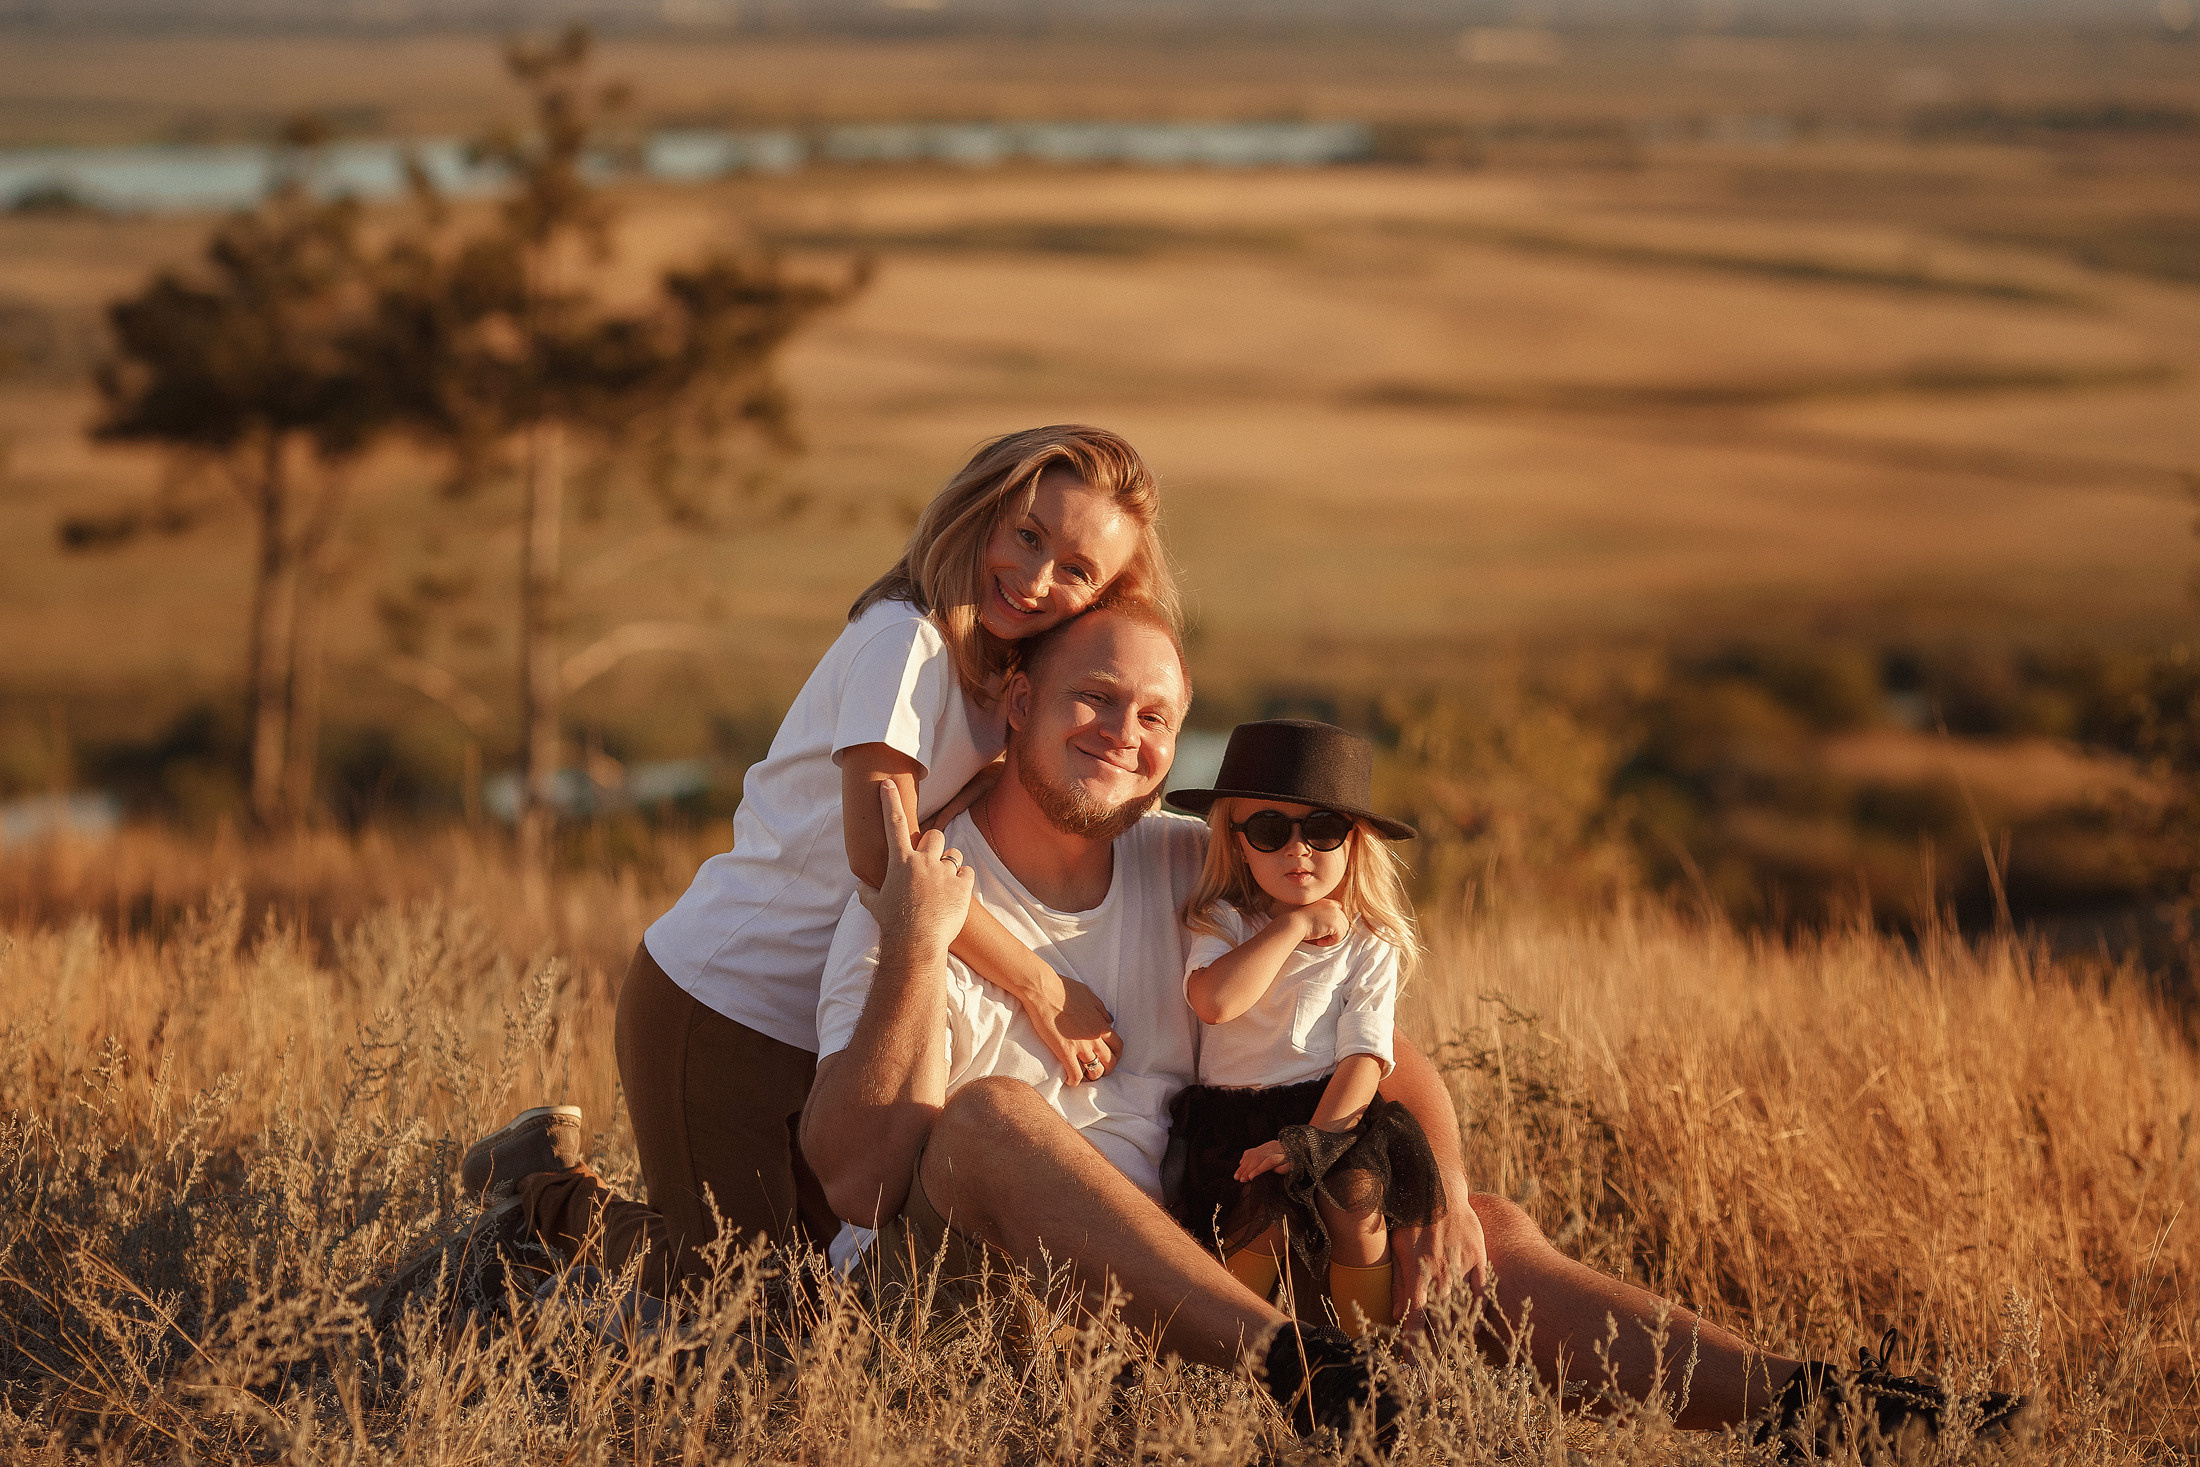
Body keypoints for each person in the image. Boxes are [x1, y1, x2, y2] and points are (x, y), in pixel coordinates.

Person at [795, 601, 2030, 1459]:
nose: (1125, 733)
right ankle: (1302, 1372)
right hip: (970, 1303)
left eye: (1156, 716)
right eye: (1093, 697)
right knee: (991, 1119)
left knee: (1471, 1227)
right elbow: (854, 1177)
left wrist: (1429, 1186)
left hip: (1188, 1282)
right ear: (1014, 699)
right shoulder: (925, 885)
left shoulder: (1200, 867)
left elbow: (1384, 1051)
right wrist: (913, 939)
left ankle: (1825, 1407)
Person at [460, 425, 1176, 1300]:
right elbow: (885, 857)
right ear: (980, 509)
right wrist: (1039, 984)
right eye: (1027, 536)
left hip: (825, 1023)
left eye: (1076, 570)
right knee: (731, 1291)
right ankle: (541, 1195)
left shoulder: (1001, 673)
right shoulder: (902, 642)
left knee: (809, 1283)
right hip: (726, 1001)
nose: (1036, 579)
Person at [1164, 719, 1443, 1342]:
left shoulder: (1371, 941)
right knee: (1259, 1213)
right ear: (1237, 843)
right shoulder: (1221, 921)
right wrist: (1290, 927)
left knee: (1358, 1200)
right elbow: (1215, 1002)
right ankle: (1217, 1351)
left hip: (1330, 1112)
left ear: (1354, 840)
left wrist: (1312, 1142)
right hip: (1234, 1115)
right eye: (1269, 831)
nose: (1299, 851)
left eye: (1321, 829)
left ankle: (1366, 1359)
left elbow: (1366, 1056)